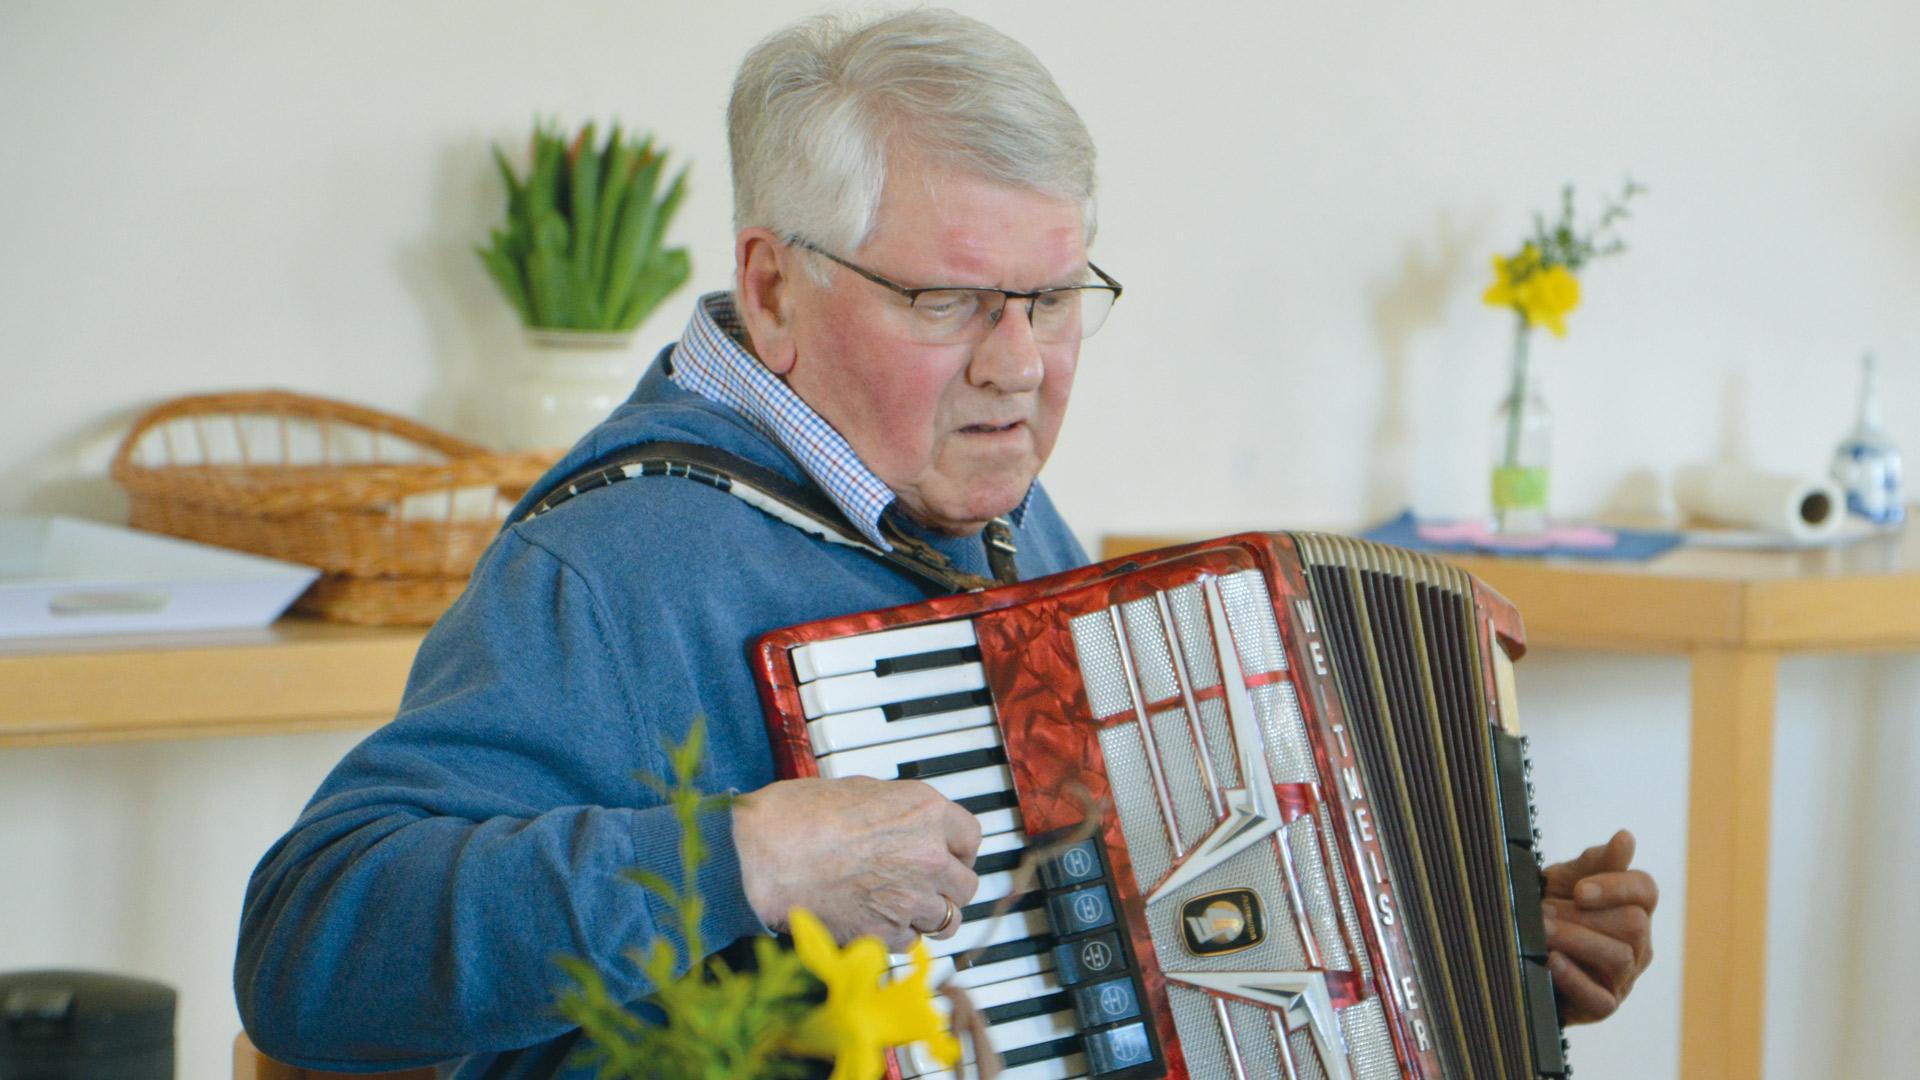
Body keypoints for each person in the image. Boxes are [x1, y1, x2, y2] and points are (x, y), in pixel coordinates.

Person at [235, 9, 1656, 1078]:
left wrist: (1466, 938)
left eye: (1054, 299)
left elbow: (1133, 931)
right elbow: (309, 946)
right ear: (772, 286)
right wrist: (747, 857)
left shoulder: (1007, 522)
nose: (1020, 364)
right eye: (952, 300)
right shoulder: (614, 567)